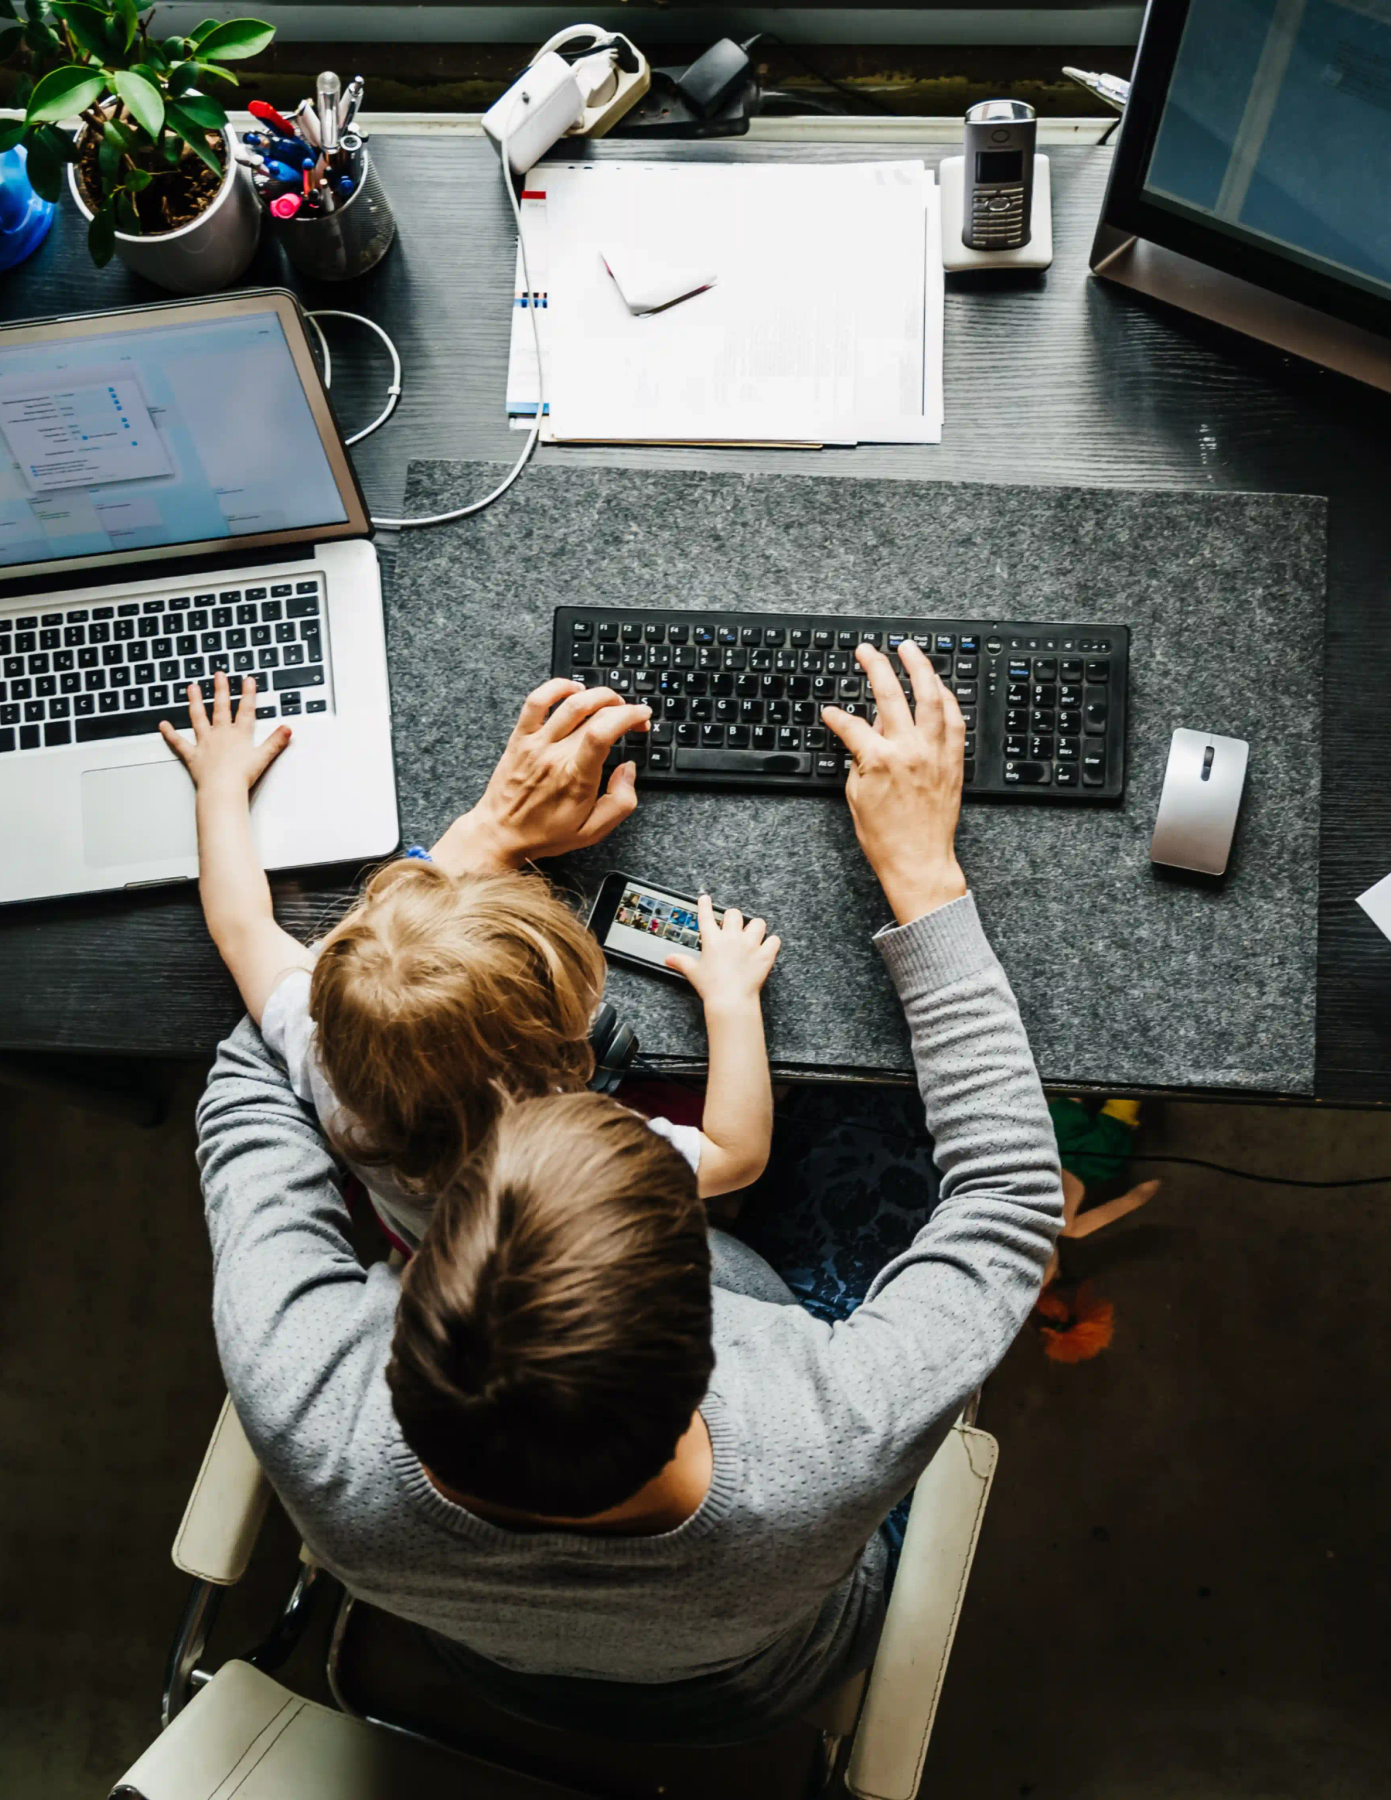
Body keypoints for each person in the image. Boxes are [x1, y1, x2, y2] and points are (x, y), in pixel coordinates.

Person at [194, 643, 1063, 1739]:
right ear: (713, 1332)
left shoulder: (300, 1394)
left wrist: (467, 859)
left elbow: (253, 1077)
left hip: (490, 1668)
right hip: (762, 1679)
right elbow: (1011, 1203)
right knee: (876, 1119)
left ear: (402, 1314)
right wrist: (923, 877)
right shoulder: (824, 1438)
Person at [160, 671, 781, 1247]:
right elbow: (736, 1156)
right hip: (558, 1236)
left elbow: (240, 925)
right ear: (568, 1051)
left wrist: (218, 786)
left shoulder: (317, 1037)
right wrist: (732, 1002)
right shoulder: (579, 1153)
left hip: (426, 1236)